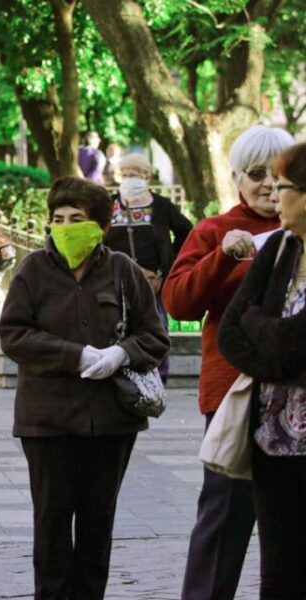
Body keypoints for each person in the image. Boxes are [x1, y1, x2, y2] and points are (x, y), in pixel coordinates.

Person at [0, 176, 170, 600]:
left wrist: (121, 354)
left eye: (77, 219)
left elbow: (155, 336)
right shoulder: (33, 270)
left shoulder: (122, 271)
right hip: (47, 421)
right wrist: (73, 355)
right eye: (58, 219)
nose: (66, 226)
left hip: (111, 421)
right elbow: (13, 335)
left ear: (99, 226)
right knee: (52, 522)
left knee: (98, 522)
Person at [163, 125, 294, 600]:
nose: (266, 184)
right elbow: (176, 303)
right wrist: (221, 256)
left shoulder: (300, 232)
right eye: (255, 173)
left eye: (278, 174)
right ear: (237, 178)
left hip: (297, 397)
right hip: (234, 397)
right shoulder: (214, 230)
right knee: (225, 518)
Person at [216, 141, 306, 599]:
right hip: (272, 442)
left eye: (283, 184)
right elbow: (231, 332)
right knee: (278, 575)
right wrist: (276, 344)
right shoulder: (280, 250)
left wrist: (264, 329)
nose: (273, 191)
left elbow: (292, 344)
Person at [104, 152, 193, 382]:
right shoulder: (109, 205)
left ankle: (157, 377)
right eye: (125, 174)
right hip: (116, 280)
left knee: (157, 328)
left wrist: (168, 265)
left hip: (153, 282)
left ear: (146, 176)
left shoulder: (161, 206)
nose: (129, 178)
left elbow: (187, 231)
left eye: (135, 174)